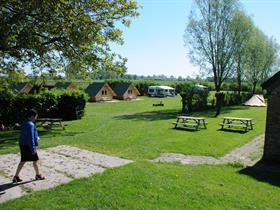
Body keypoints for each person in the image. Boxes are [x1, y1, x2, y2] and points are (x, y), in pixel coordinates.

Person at [13, 109, 45, 183]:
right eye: (36, 116)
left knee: (23, 160)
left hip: (22, 144)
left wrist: (36, 137)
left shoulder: (25, 122)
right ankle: (38, 175)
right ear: (32, 116)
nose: (36, 118)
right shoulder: (30, 124)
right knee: (35, 160)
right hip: (28, 146)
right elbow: (30, 138)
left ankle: (16, 176)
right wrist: (33, 149)